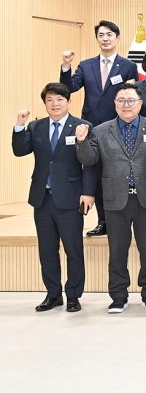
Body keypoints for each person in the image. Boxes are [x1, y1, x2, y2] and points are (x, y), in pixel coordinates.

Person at [75, 84, 146, 313]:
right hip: (115, 199)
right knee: (117, 250)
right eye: (121, 100)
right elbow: (90, 159)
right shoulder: (101, 130)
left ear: (140, 103)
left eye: (131, 100)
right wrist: (82, 141)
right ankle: (118, 295)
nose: (126, 105)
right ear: (114, 104)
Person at [12, 83, 97, 313]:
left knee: (73, 250)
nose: (55, 104)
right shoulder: (35, 126)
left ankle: (73, 296)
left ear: (69, 102)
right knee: (47, 250)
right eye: (50, 99)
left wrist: (88, 193)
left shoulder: (82, 126)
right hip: (42, 198)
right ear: (45, 103)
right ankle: (53, 295)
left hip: (70, 198)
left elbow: (90, 165)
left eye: (60, 99)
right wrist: (19, 126)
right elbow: (20, 151)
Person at [60, 20, 138, 237]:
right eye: (101, 35)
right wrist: (66, 66)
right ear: (97, 39)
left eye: (110, 35)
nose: (105, 38)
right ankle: (103, 221)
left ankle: (124, 219)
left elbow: (132, 96)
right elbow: (70, 87)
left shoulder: (129, 66)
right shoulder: (86, 65)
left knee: (116, 172)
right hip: (92, 125)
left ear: (118, 38)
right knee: (95, 171)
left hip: (118, 126)